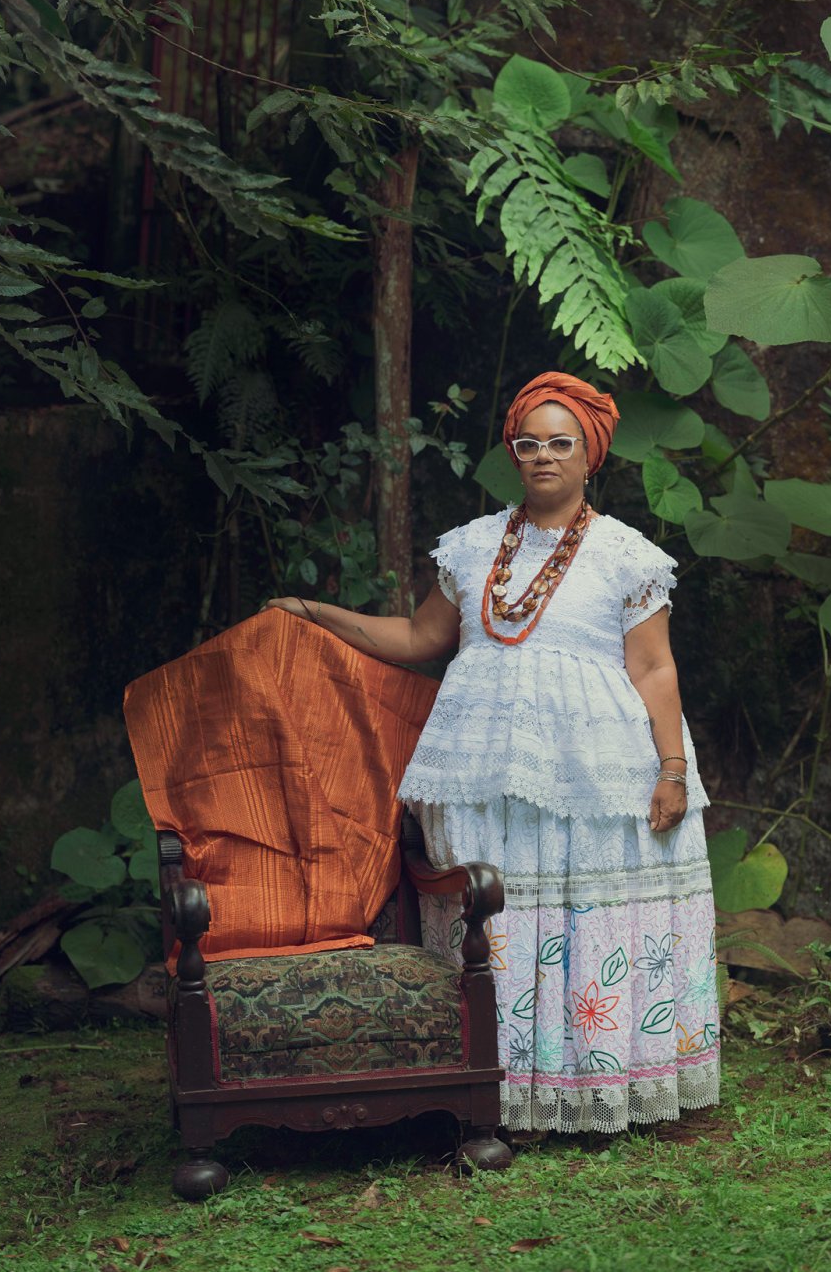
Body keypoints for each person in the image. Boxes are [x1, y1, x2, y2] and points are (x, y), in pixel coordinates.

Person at [268, 371, 719, 1136]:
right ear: (515, 452)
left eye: (560, 443)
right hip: (484, 766)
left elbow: (653, 667)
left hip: (597, 769)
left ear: (590, 456)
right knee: (494, 915)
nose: (543, 456)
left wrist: (672, 767)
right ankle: (497, 1090)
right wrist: (317, 613)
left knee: (589, 917)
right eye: (529, 442)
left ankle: (598, 1085)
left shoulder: (626, 555)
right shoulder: (473, 547)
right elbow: (419, 640)